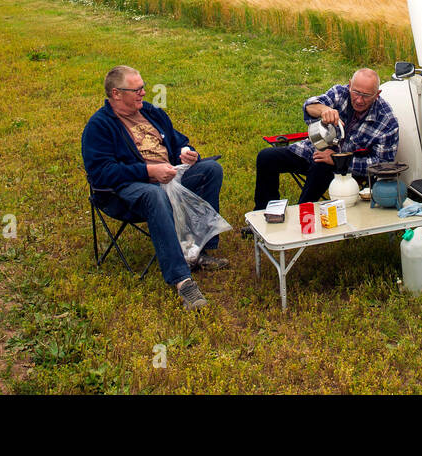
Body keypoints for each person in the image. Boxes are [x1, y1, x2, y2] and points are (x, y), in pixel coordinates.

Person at [81, 65, 226, 310]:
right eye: (136, 89)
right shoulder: (100, 126)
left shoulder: (150, 112)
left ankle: (201, 250)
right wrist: (148, 171)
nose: (143, 93)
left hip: (168, 177)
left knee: (211, 170)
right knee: (154, 194)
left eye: (143, 87)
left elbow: (179, 140)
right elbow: (101, 173)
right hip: (124, 191)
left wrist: (188, 153)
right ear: (116, 94)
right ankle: (182, 280)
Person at [252, 68, 399, 210]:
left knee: (321, 167)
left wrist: (338, 160)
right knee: (266, 157)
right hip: (314, 149)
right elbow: (309, 106)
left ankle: (302, 214)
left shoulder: (387, 121)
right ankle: (264, 214)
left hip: (346, 169)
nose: (359, 100)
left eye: (366, 95)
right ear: (350, 85)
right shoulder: (340, 92)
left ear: (377, 94)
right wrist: (324, 110)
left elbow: (381, 165)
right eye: (356, 92)